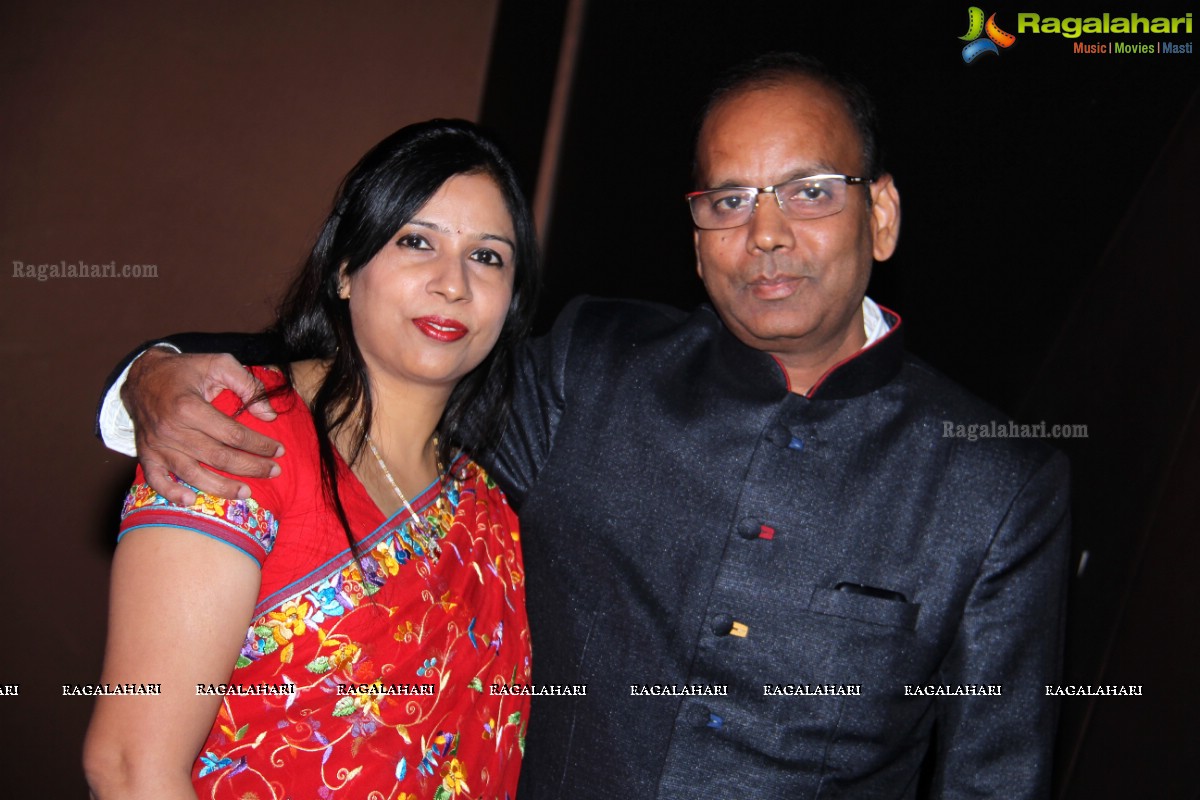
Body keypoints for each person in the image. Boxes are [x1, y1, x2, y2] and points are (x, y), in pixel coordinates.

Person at [99, 54, 1069, 798]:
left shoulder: (997, 481)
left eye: (810, 191)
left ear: (883, 215)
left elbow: (993, 773)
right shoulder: (592, 366)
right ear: (697, 240)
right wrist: (155, 370)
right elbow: (400, 365)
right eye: (729, 200)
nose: (766, 234)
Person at [84, 119, 540, 800]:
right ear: (346, 271)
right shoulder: (242, 438)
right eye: (417, 241)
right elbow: (131, 768)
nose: (453, 284)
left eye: (488, 257)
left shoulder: (487, 511)